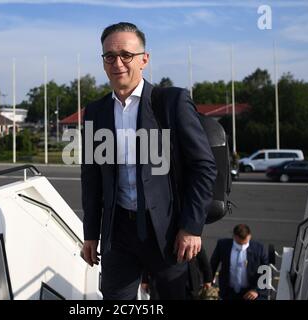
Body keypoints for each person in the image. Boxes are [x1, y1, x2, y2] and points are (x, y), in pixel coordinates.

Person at [80, 22, 217, 300]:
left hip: (168, 232)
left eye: (126, 55)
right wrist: (91, 234)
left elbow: (203, 167)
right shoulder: (96, 111)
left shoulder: (171, 102)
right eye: (109, 56)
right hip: (119, 232)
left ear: (144, 59)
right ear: (103, 62)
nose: (117, 62)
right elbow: (92, 177)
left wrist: (191, 227)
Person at [210, 224, 269, 300]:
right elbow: (213, 264)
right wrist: (208, 281)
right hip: (228, 292)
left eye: (245, 243)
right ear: (234, 236)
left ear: (250, 236)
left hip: (250, 292)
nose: (242, 246)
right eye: (239, 243)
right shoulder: (222, 245)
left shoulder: (259, 248)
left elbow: (267, 271)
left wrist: (257, 290)